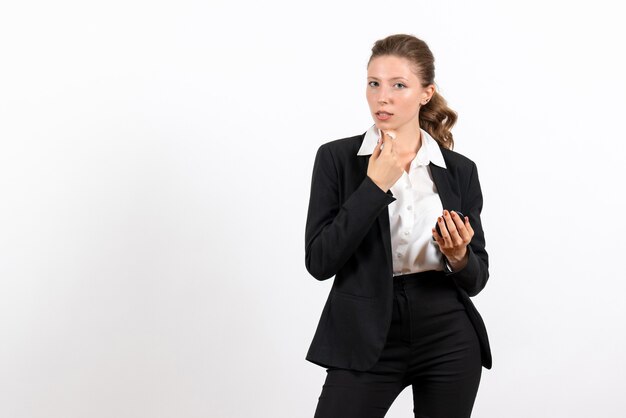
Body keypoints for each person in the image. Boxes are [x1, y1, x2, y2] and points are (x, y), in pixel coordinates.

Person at [304, 34, 492, 418]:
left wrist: (459, 257)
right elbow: (319, 261)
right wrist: (374, 186)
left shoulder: (459, 171)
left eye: (398, 85)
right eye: (374, 83)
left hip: (447, 332)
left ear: (426, 93)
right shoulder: (337, 159)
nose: (381, 97)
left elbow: (476, 278)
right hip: (366, 328)